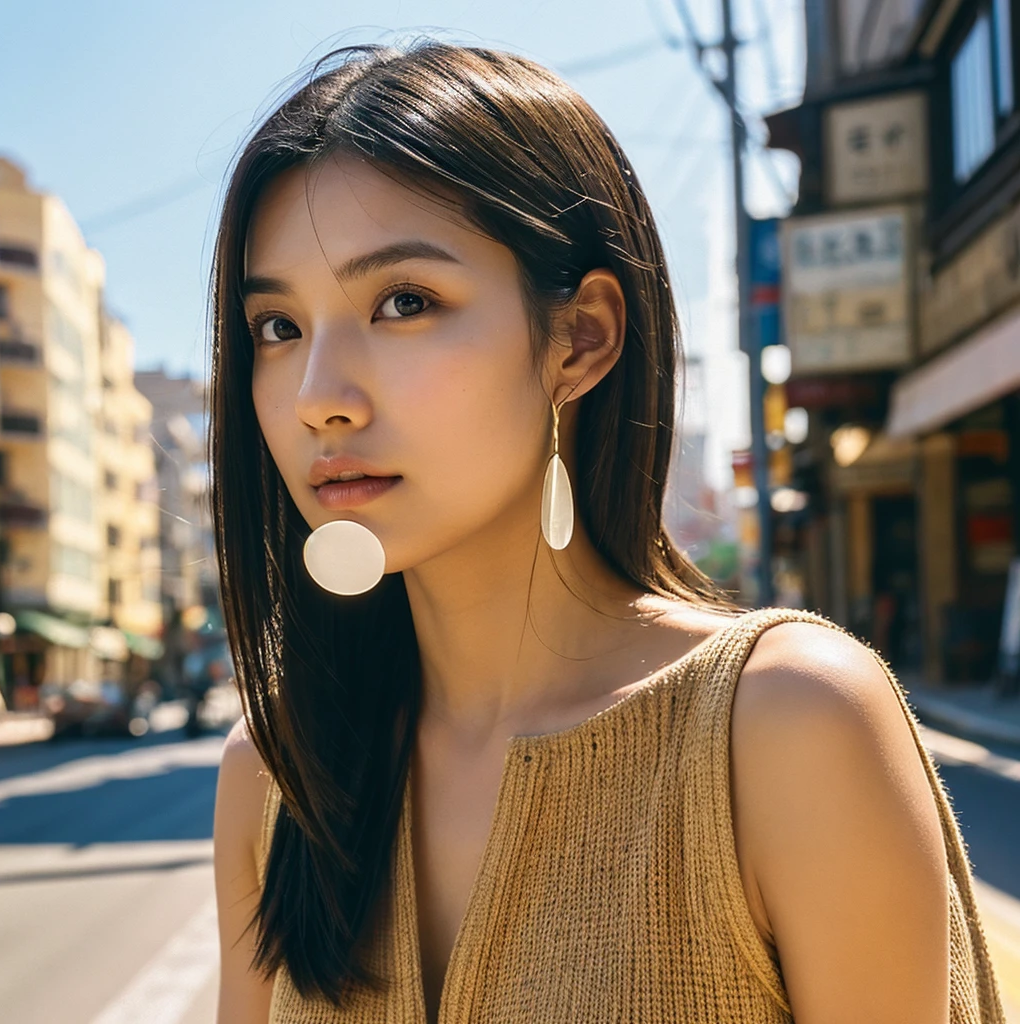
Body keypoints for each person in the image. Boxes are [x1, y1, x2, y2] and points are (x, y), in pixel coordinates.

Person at [210, 42, 1005, 1024]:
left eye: (403, 302)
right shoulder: (277, 774)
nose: (318, 398)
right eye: (277, 328)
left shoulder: (782, 724)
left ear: (580, 337)